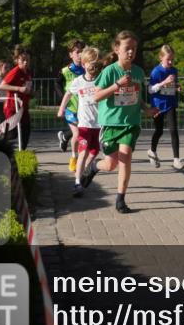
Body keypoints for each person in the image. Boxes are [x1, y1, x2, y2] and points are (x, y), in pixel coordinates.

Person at [79, 31, 158, 214]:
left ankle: (120, 199)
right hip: (110, 124)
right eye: (127, 48)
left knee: (125, 157)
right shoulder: (109, 71)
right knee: (110, 164)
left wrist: (146, 109)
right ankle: (93, 167)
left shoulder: (138, 72)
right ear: (117, 49)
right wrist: (117, 85)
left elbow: (136, 97)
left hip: (130, 123)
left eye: (134, 49)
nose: (131, 52)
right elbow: (96, 96)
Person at [58, 46, 102, 197]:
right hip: (84, 124)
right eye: (90, 62)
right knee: (83, 152)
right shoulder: (78, 81)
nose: (93, 65)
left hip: (98, 125)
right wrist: (61, 109)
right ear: (83, 64)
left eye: (96, 62)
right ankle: (77, 182)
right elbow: (68, 94)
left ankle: (83, 173)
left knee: (95, 151)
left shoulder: (101, 79)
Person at [148, 44, 183, 170]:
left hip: (170, 104)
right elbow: (150, 90)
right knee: (159, 130)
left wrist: (177, 87)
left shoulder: (174, 70)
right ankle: (152, 151)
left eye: (172, 59)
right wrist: (164, 83)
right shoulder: (156, 71)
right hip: (158, 106)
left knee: (174, 131)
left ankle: (176, 160)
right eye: (168, 59)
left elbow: (173, 84)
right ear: (160, 58)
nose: (170, 62)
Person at [58, 40, 86, 172]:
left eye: (82, 51)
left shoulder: (88, 69)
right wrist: (63, 100)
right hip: (71, 107)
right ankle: (74, 158)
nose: (80, 54)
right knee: (77, 133)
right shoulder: (64, 71)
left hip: (84, 108)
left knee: (82, 133)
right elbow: (57, 85)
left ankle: (64, 137)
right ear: (71, 54)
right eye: (77, 52)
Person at [0, 50, 33, 148]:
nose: (25, 62)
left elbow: (27, 88)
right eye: (23, 60)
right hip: (12, 107)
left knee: (26, 130)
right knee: (12, 133)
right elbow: (2, 86)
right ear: (18, 61)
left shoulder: (28, 72)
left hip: (23, 107)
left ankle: (21, 153)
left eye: (27, 60)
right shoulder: (15, 71)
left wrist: (32, 92)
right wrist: (18, 89)